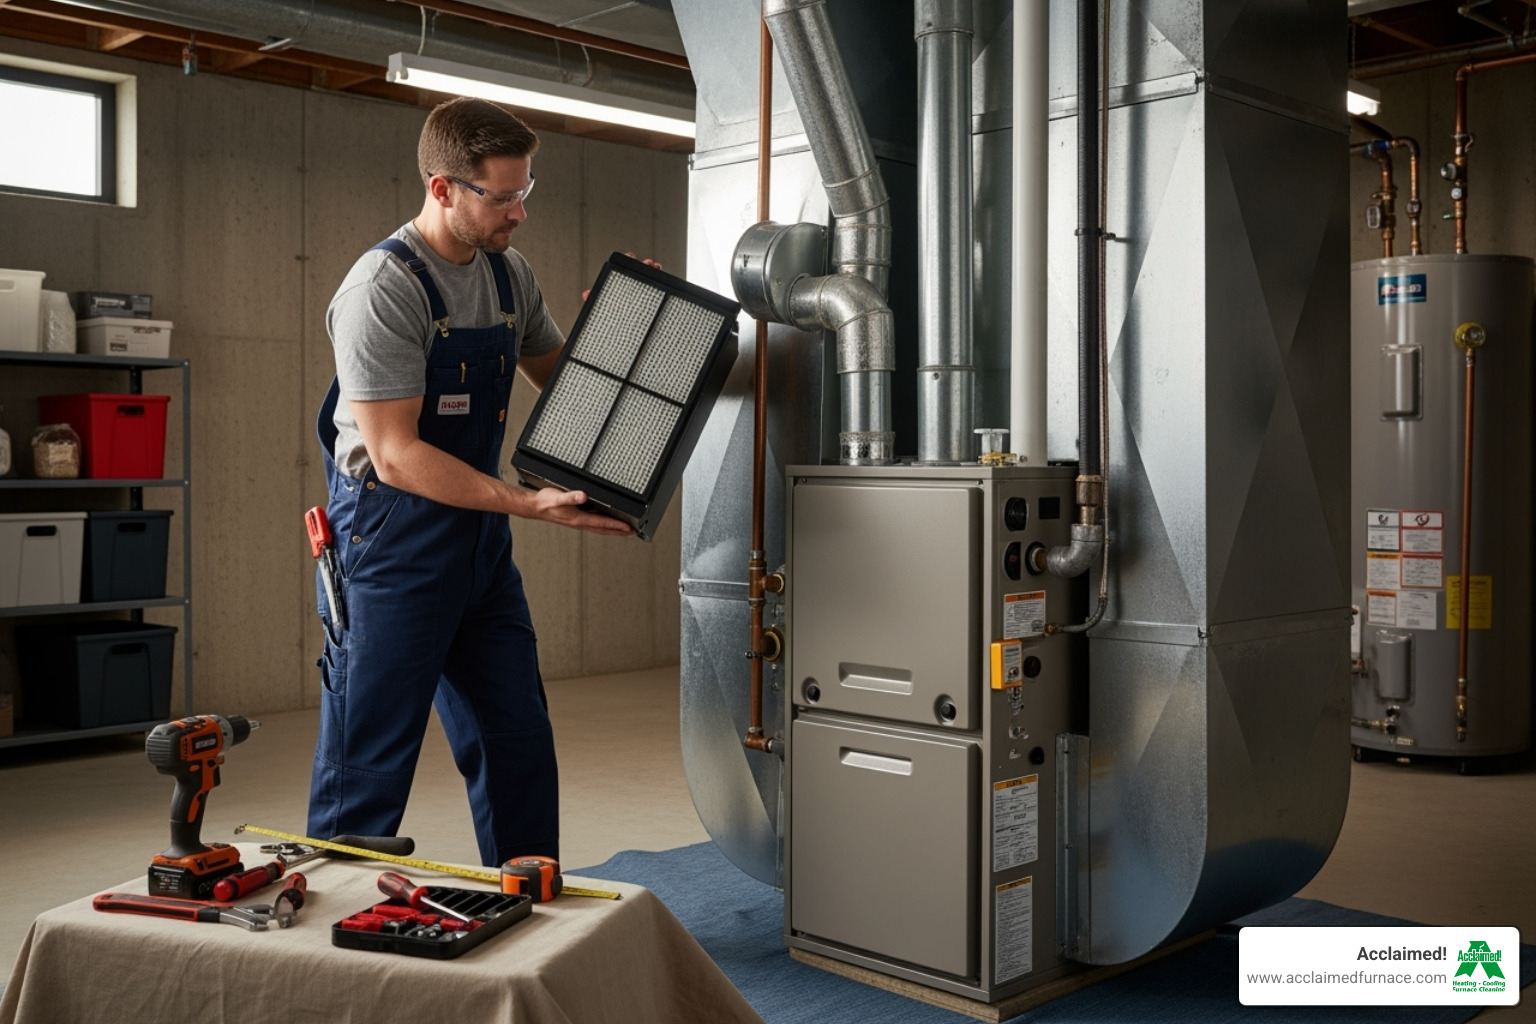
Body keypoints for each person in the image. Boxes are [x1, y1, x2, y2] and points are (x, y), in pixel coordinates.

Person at [308, 97, 633, 867]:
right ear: (443, 187)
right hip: (389, 543)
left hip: (478, 544)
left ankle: (528, 900)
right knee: (369, 763)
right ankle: (334, 927)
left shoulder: (508, 274)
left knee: (516, 737)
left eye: (526, 192)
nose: (519, 212)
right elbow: (396, 455)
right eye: (502, 196)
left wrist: (625, 324)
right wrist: (528, 503)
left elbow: (569, 388)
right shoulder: (383, 289)